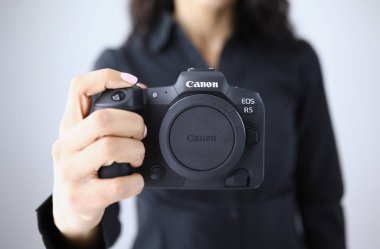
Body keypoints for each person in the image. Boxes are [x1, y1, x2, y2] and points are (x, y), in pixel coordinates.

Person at [37, 0, 346, 248]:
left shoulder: (295, 60)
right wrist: (73, 220)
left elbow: (322, 197)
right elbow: (102, 218)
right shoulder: (122, 69)